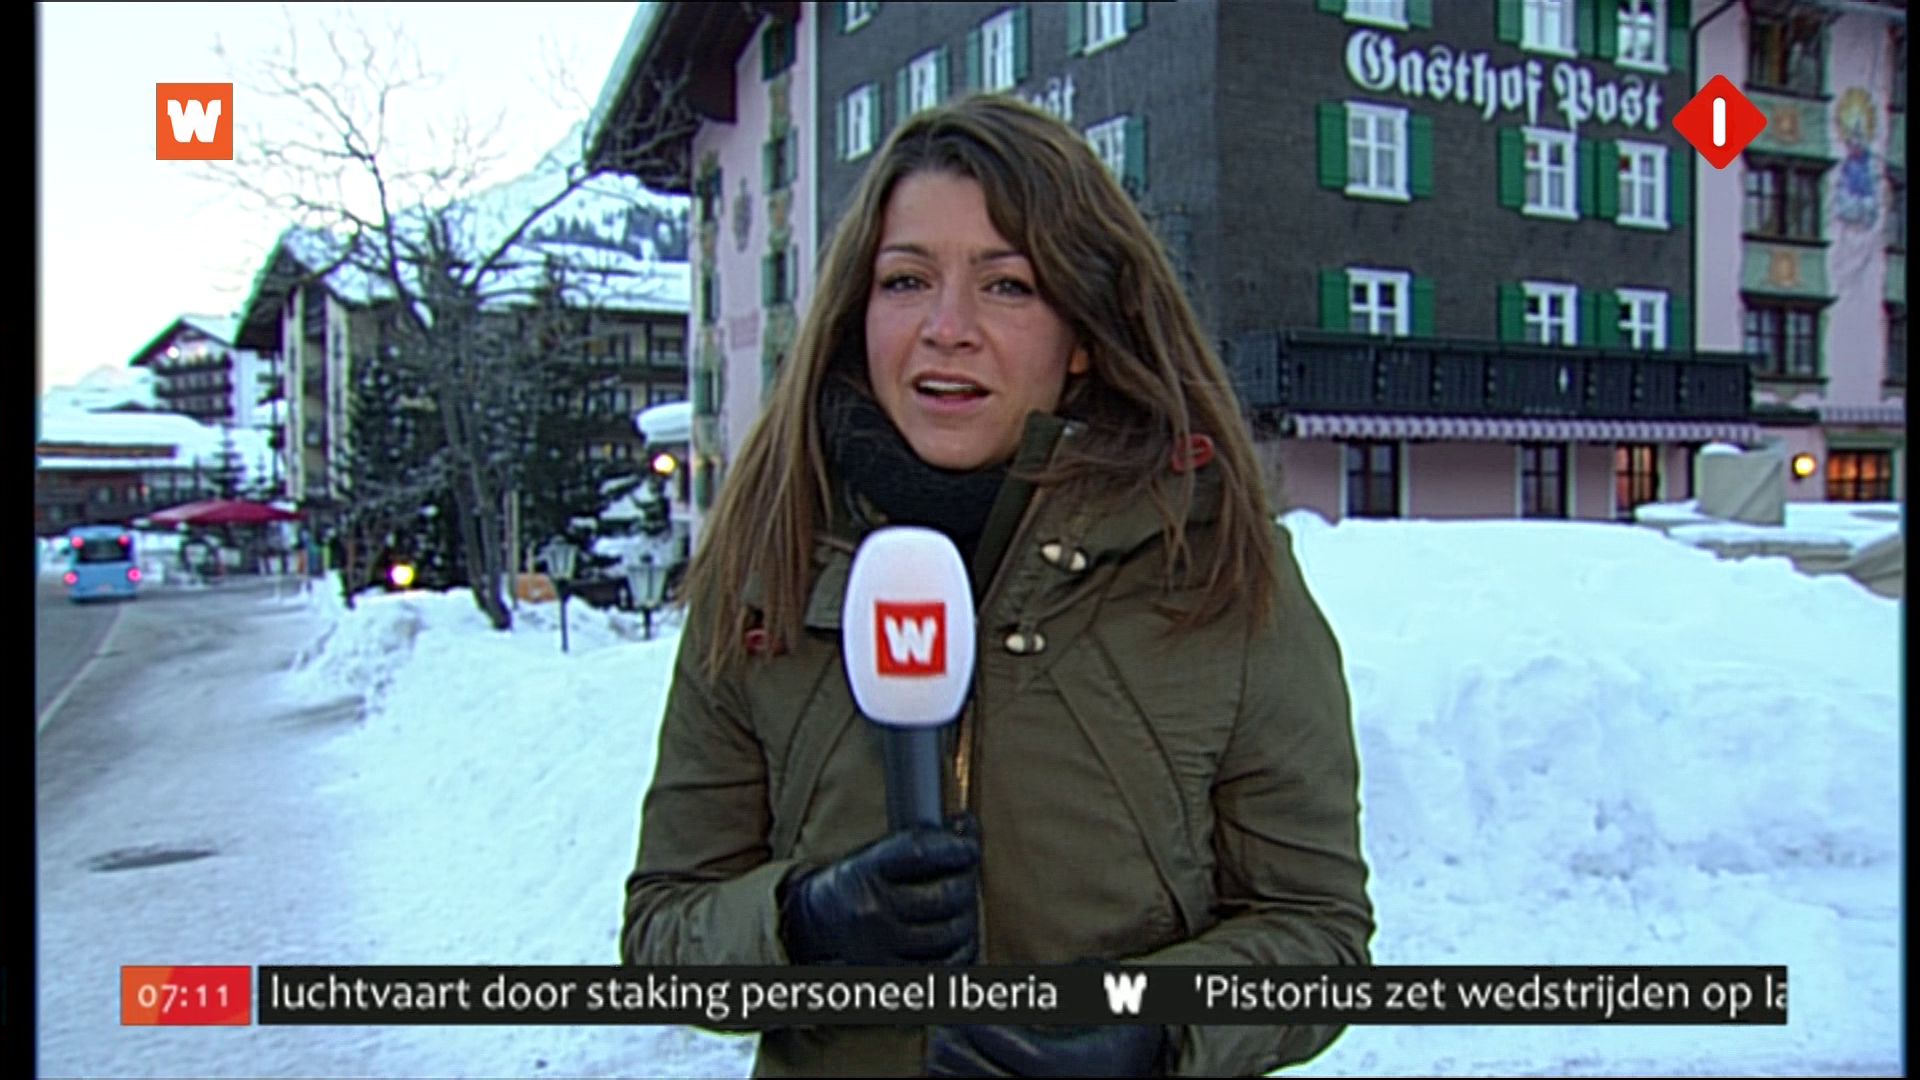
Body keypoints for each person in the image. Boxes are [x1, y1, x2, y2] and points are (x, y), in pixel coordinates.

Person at [621, 94, 1373, 1077]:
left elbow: (1317, 934)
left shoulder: (1219, 568)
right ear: (858, 315)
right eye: (906, 280)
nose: (948, 329)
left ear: (1084, 331)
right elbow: (663, 939)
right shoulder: (768, 567)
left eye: (1008, 285)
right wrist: (802, 924)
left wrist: (1150, 1033)